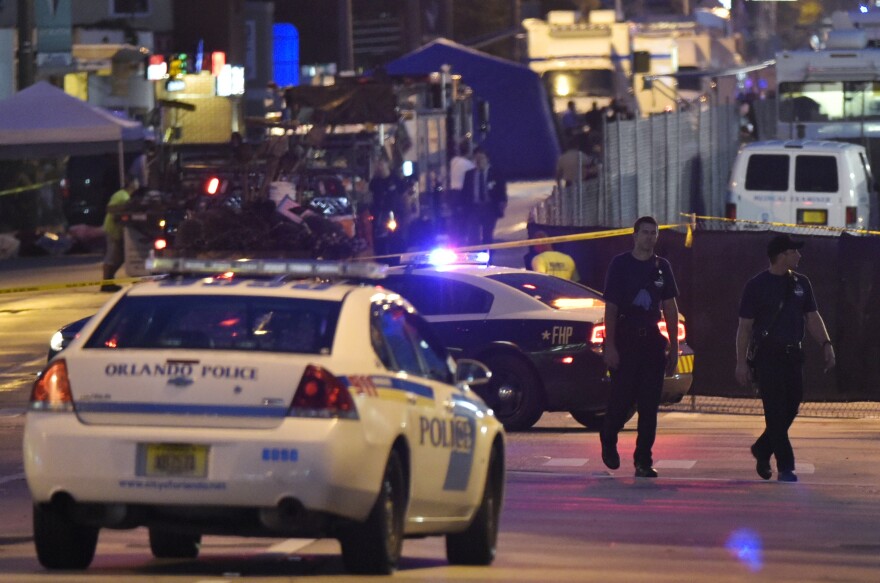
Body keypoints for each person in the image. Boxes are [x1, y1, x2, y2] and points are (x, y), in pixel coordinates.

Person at [735, 234, 836, 483]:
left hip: (793, 355)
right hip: (768, 356)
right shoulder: (756, 285)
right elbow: (745, 327)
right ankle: (786, 466)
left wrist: (826, 344)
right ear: (782, 256)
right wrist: (740, 362)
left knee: (791, 405)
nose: (799, 256)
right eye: (794, 252)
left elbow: (812, 317)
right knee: (775, 410)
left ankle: (762, 447)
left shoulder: (801, 283)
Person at [599, 216, 679, 478]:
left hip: (651, 343)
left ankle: (643, 460)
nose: (649, 237)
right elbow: (610, 308)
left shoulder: (661, 267)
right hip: (626, 339)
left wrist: (674, 349)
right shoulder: (621, 265)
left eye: (653, 233)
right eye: (644, 233)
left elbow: (670, 307)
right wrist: (610, 346)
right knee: (621, 401)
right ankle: (608, 437)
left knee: (649, 406)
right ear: (634, 235)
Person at [100, 174, 139, 292]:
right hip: (113, 229)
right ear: (131, 184)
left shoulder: (124, 195)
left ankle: (109, 281)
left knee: (119, 257)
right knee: (112, 258)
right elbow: (113, 210)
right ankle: (106, 283)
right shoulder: (122, 196)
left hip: (114, 229)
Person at [461, 147, 506, 246]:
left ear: (487, 159)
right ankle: (474, 257)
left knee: (487, 235)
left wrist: (500, 206)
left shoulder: (495, 173)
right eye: (476, 159)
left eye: (481, 158)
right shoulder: (469, 175)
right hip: (474, 208)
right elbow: (465, 193)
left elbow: (501, 191)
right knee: (473, 235)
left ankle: (488, 256)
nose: (478, 161)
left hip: (489, 208)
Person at [369, 158, 412, 256]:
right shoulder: (375, 182)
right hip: (381, 214)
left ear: (387, 164)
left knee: (398, 237)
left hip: (397, 213)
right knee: (380, 239)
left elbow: (404, 196)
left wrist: (406, 213)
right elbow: (371, 197)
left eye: (382, 164)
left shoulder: (396, 179)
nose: (380, 167)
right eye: (378, 165)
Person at [448, 141, 475, 243]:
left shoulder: (454, 161)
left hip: (453, 193)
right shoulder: (469, 164)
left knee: (454, 217)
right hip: (461, 193)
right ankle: (461, 239)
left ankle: (453, 239)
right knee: (463, 218)